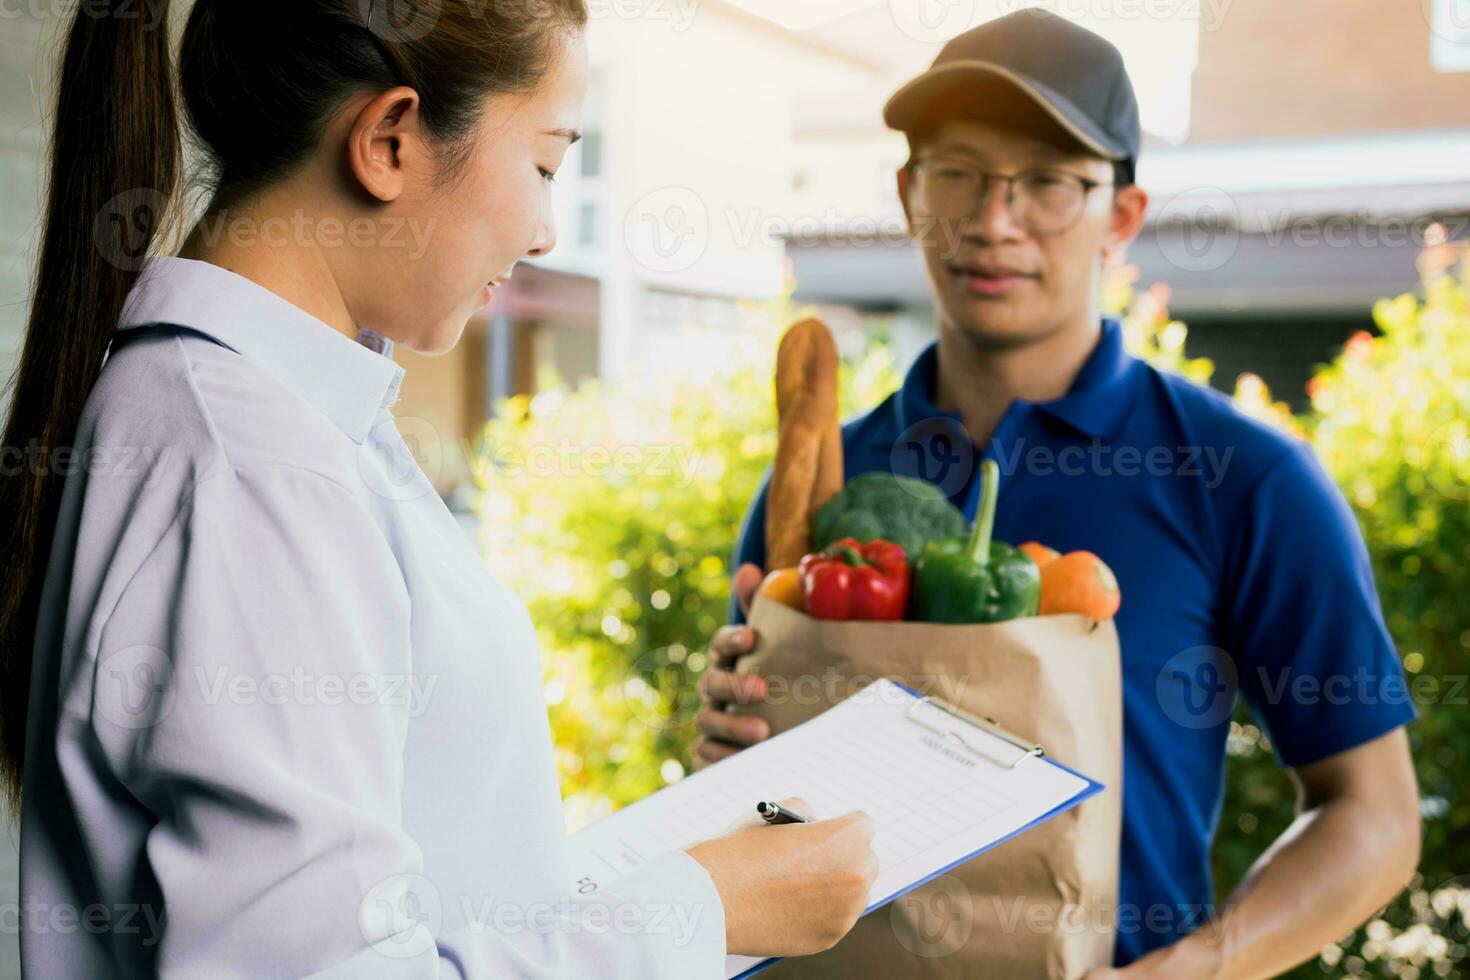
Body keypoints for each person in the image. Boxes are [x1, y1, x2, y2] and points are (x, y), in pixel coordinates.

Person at [0, 2, 879, 976]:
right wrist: (702, 909)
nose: (546, 230)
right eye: (544, 165)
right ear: (388, 140)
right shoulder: (252, 466)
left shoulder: (284, 423)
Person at [695, 11, 1421, 978]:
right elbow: (760, 809)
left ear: (1120, 215)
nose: (996, 221)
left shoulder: (1245, 477)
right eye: (958, 174)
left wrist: (1200, 968)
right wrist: (727, 754)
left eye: (1048, 181)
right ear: (912, 196)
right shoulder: (821, 486)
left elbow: (1372, 811)